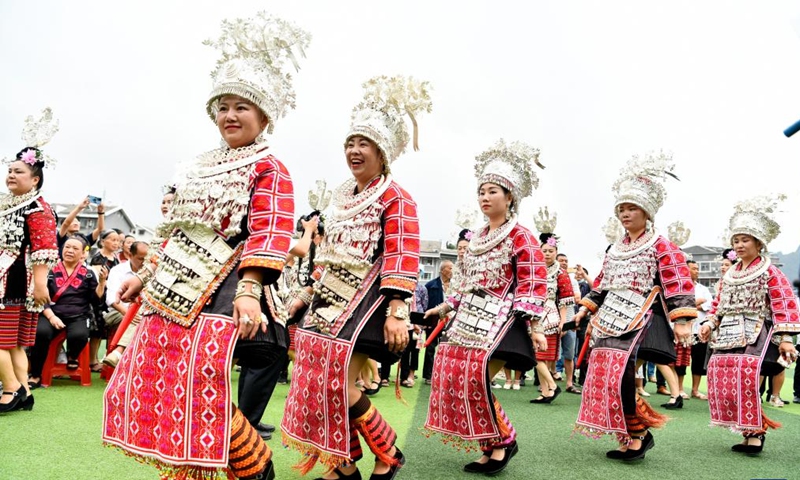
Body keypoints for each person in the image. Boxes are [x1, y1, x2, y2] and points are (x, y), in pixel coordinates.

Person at [103, 13, 310, 480]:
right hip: (173, 285)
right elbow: (177, 231)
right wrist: (144, 274)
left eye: (242, 107)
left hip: (227, 284)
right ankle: (201, 466)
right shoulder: (194, 166)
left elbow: (271, 230)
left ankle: (251, 465)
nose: (230, 115)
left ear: (263, 116)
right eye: (223, 106)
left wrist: (249, 289)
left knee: (201, 377)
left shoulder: (270, 167)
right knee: (162, 378)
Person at [282, 75, 429, 480]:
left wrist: (398, 310)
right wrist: (306, 292)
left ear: (382, 152)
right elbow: (329, 253)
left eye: (364, 143)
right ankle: (343, 463)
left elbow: (404, 253)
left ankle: (388, 452)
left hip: (367, 305)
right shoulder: (342, 195)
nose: (354, 150)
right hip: (329, 303)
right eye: (350, 142)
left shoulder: (396, 196)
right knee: (317, 383)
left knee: (340, 384)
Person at [425, 139, 547, 476]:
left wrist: (533, 325)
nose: (485, 196)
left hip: (502, 320)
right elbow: (463, 282)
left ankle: (504, 441)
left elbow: (534, 279)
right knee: (458, 380)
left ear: (509, 197)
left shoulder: (521, 236)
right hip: (468, 320)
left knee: (475, 380)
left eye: (493, 190)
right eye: (481, 191)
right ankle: (491, 444)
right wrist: (445, 307)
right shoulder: (476, 238)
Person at [574, 152, 695, 461]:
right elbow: (602, 282)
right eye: (622, 209)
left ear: (646, 212)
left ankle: (638, 433)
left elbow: (677, 281)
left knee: (621, 376)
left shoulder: (661, 245)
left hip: (642, 319)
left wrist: (682, 319)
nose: (625, 215)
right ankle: (631, 432)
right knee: (604, 375)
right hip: (611, 319)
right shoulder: (615, 248)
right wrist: (586, 308)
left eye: (631, 209)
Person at [699, 195, 799, 455]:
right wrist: (711, 322)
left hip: (755, 331)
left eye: (745, 240)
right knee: (722, 377)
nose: (740, 245)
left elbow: (783, 303)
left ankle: (756, 433)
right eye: (736, 240)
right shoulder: (729, 274)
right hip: (727, 333)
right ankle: (746, 430)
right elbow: (719, 304)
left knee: (745, 379)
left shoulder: (769, 272)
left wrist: (786, 337)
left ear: (758, 243)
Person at [0, 108, 59, 413]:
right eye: (9, 170)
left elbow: (44, 249)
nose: (11, 175)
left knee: (2, 341)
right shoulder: (9, 205)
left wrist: (39, 285)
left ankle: (10, 391)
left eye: (19, 171)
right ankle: (24, 391)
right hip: (9, 279)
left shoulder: (37, 208)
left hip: (13, 282)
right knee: (13, 343)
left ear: (35, 179)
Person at [28, 236, 106, 387]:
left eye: (75, 248)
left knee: (79, 335)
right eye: (67, 247)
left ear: (83, 253)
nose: (70, 251)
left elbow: (96, 301)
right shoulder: (49, 270)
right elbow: (39, 296)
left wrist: (102, 283)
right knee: (41, 333)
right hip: (50, 313)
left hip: (78, 315)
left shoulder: (88, 273)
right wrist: (51, 317)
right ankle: (36, 375)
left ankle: (73, 355)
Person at [529, 229, 575, 401]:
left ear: (556, 252)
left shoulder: (560, 273)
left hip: (550, 314)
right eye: (544, 250)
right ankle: (546, 389)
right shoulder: (534, 270)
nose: (547, 254)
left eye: (551, 251)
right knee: (535, 353)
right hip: (534, 313)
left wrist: (563, 321)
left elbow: (564, 299)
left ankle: (551, 387)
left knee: (542, 355)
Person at [98, 241, 148, 367]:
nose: (144, 262)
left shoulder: (151, 272)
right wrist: (128, 313)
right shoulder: (117, 270)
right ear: (130, 256)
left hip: (142, 313)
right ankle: (120, 354)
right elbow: (111, 299)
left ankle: (119, 353)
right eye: (140, 259)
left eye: (147, 259)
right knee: (137, 320)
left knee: (144, 319)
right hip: (117, 312)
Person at [87, 228, 120, 371]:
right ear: (102, 241)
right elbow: (101, 280)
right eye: (113, 239)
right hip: (99, 297)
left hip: (112, 296)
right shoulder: (98, 258)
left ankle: (101, 359)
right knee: (97, 330)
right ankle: (92, 361)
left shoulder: (116, 259)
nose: (116, 243)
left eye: (118, 240)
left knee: (102, 332)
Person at [422, 260, 453, 385]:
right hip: (435, 321)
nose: (452, 271)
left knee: (447, 349)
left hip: (451, 321)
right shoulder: (431, 285)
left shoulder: (456, 286)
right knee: (430, 348)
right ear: (442, 270)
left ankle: (444, 375)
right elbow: (427, 305)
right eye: (450, 268)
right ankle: (428, 375)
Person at [687, 260, 712, 400]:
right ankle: (677, 388)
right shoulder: (681, 287)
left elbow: (710, 304)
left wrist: (695, 306)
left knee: (698, 360)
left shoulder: (703, 288)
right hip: (683, 329)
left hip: (699, 329)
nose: (697, 271)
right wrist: (697, 302)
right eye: (694, 268)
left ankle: (695, 390)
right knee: (680, 360)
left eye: (698, 268)